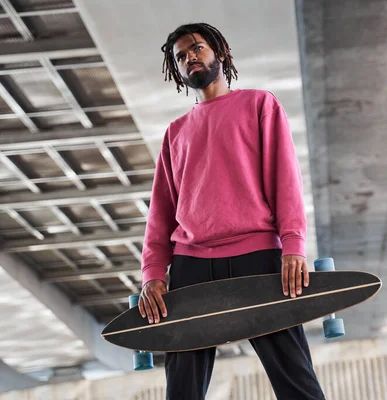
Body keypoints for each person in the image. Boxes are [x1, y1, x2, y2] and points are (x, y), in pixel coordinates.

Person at [137, 22, 325, 400]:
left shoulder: (259, 104)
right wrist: (153, 273)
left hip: (257, 256)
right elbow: (161, 212)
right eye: (181, 56)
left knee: (295, 381)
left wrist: (293, 245)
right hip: (191, 264)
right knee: (182, 389)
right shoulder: (175, 132)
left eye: (197, 48)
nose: (190, 56)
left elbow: (284, 179)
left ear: (219, 52)